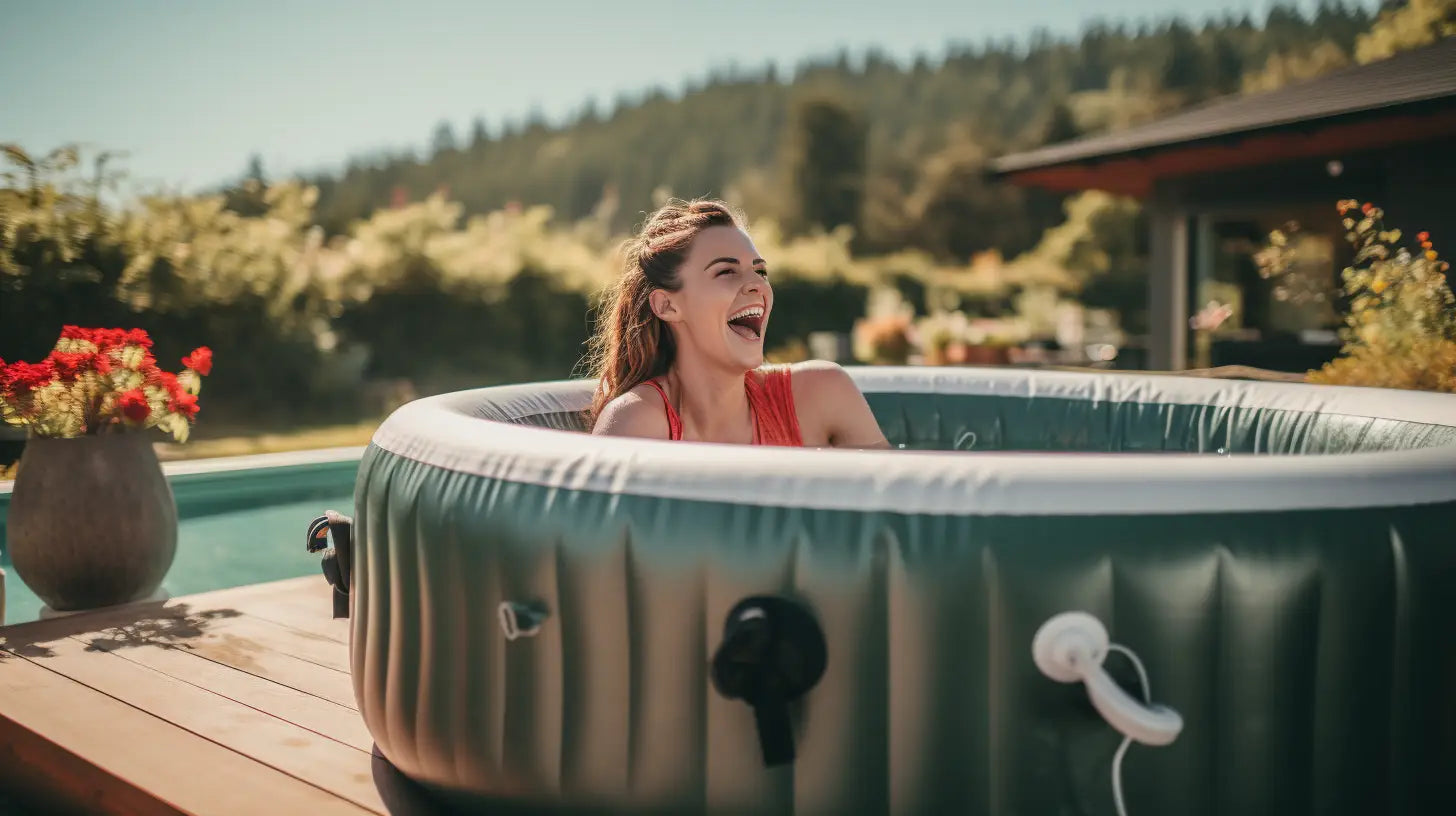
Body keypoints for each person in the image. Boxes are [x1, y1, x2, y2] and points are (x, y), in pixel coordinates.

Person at [585, 198, 889, 448]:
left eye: (760, 271)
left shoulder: (824, 395)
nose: (758, 285)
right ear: (667, 305)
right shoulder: (637, 425)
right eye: (726, 272)